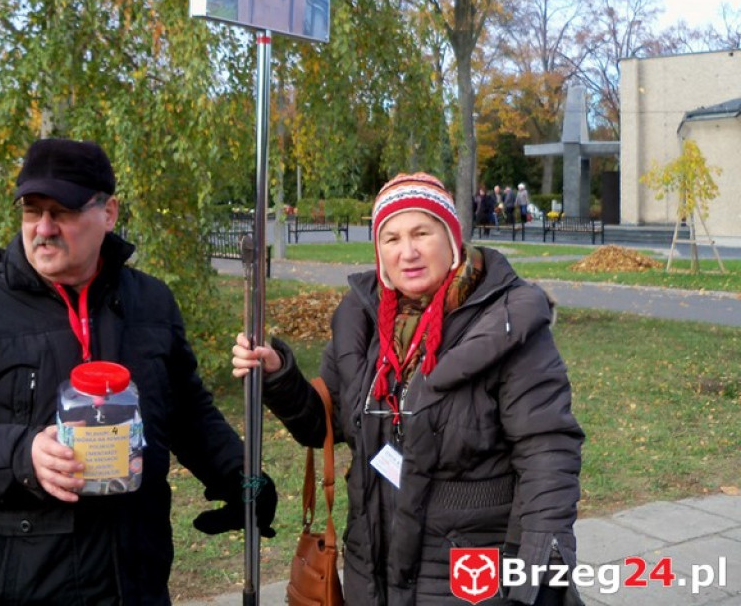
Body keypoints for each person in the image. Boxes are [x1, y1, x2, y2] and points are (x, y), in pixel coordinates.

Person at [0, 137, 276, 605]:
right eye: (32, 210)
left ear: (108, 213)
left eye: (63, 211)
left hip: (136, 583)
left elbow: (186, 410)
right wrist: (21, 454)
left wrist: (237, 474)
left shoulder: (150, 302)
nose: (43, 228)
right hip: (24, 588)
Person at [233, 172, 583, 605]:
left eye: (422, 233)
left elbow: (548, 455)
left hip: (468, 579)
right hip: (371, 572)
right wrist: (278, 375)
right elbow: (325, 424)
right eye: (392, 238)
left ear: (452, 240)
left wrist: (539, 581)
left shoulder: (507, 323)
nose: (408, 252)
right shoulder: (361, 321)